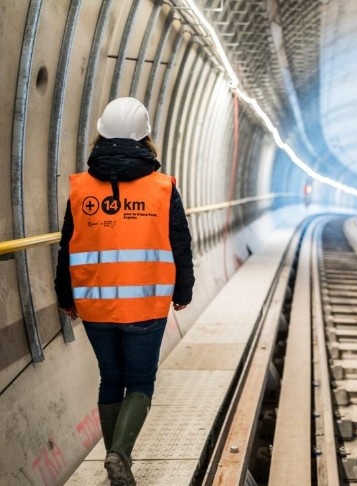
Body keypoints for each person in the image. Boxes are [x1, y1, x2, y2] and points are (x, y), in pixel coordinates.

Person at [55, 97, 194, 485]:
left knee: (110, 378)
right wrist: (184, 290)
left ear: (100, 134)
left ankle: (116, 462)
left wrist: (66, 298)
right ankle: (120, 454)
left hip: (96, 306)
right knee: (141, 381)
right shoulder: (162, 189)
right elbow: (179, 243)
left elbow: (67, 246)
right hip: (147, 306)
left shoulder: (82, 189)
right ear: (146, 136)